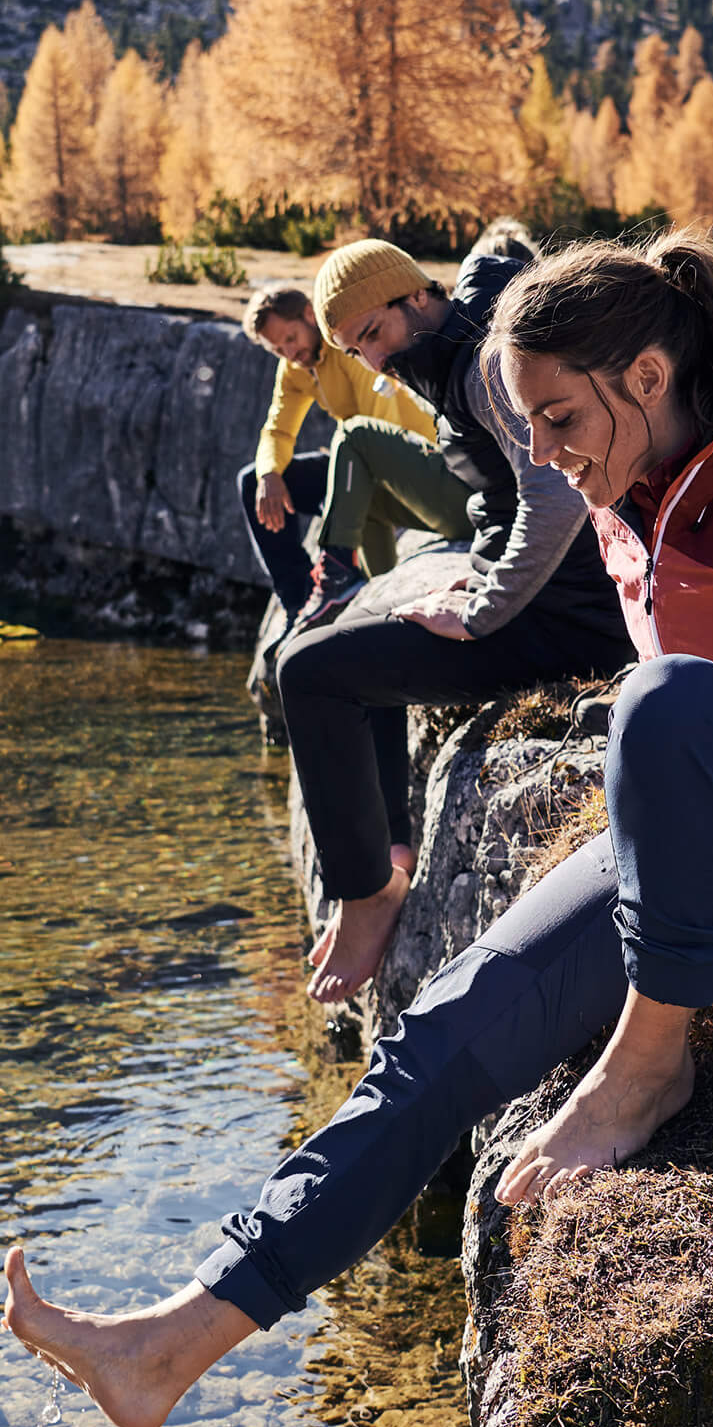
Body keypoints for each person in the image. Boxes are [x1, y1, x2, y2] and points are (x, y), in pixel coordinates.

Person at [2, 231, 713, 1427]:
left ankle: (646, 1067)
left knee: (673, 697)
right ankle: (173, 1339)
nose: (539, 453)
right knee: (447, 1021)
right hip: (702, 842)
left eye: (554, 418)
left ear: (648, 377)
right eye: (525, 424)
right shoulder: (622, 491)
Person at [279, 236, 634, 1004]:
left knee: (309, 673)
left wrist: (479, 610)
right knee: (357, 637)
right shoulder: (464, 349)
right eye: (353, 348)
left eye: (373, 334)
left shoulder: (482, 366)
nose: (372, 362)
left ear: (415, 298)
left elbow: (555, 497)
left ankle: (369, 892)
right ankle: (390, 854)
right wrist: (471, 579)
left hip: (563, 623)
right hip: (554, 604)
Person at [237, 281, 455, 637]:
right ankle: (300, 603)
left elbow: (374, 431)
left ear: (310, 314)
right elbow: (278, 431)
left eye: (290, 339)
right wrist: (269, 475)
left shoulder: (351, 349)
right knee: (253, 482)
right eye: (277, 349)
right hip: (356, 458)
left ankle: (341, 575)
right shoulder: (295, 368)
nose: (288, 353)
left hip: (412, 463)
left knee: (353, 438)